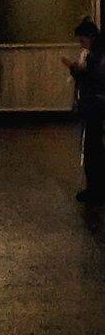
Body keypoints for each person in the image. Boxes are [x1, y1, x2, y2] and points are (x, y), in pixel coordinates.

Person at [62, 17, 105, 205]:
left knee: (91, 149)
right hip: (98, 105)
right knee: (96, 147)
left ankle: (94, 190)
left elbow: (89, 78)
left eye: (82, 40)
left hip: (94, 106)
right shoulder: (98, 52)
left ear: (90, 36)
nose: (81, 44)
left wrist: (72, 67)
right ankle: (96, 188)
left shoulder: (95, 55)